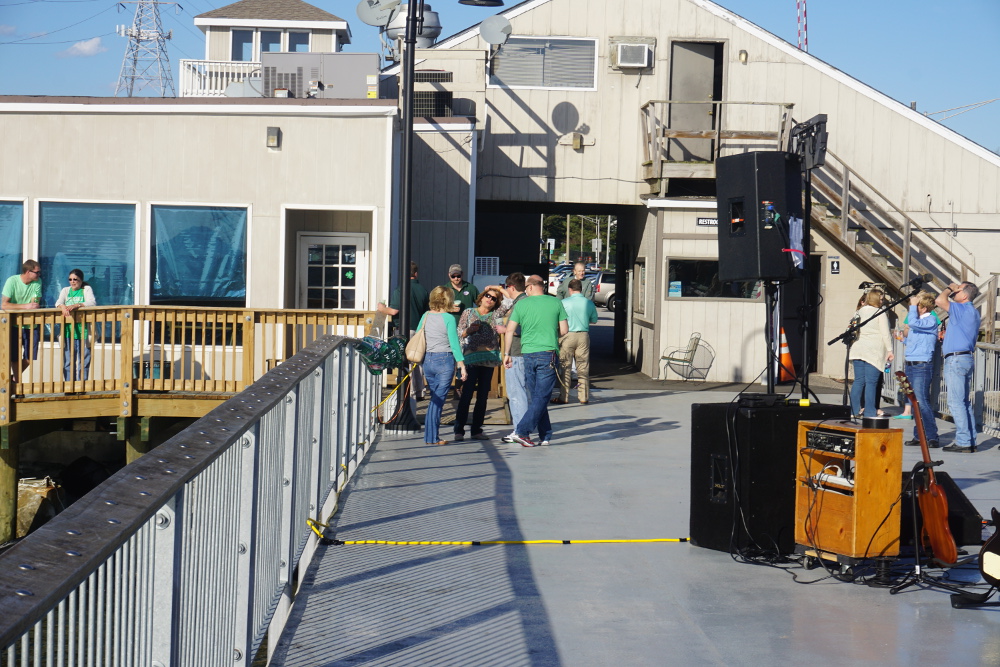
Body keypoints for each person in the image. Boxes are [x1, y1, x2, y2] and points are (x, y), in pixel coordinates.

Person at [503, 275, 568, 447]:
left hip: (527, 354)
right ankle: (522, 432)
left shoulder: (522, 304)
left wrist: (506, 353)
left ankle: (545, 434)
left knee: (537, 397)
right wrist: (550, 333)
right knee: (542, 397)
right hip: (547, 353)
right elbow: (564, 330)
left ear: (530, 287)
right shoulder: (555, 303)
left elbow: (509, 330)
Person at [416, 286, 467, 445]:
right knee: (437, 401)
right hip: (444, 361)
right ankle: (432, 438)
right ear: (448, 300)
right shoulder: (449, 318)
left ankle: (431, 437)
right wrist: (461, 364)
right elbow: (454, 343)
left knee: (434, 399)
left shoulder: (425, 316)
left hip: (428, 361)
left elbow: (419, 335)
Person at [454, 288, 506, 441]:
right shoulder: (469, 312)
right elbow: (459, 332)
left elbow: (510, 302)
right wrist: (468, 330)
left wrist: (498, 288)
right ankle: (459, 430)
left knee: (483, 396)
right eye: (487, 296)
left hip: (488, 359)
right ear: (482, 297)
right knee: (466, 395)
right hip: (470, 358)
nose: (489, 299)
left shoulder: (496, 315)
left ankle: (476, 430)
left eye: (494, 298)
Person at [936, 281, 981, 453]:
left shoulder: (961, 308)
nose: (955, 293)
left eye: (958, 291)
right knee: (963, 402)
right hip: (965, 358)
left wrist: (949, 288)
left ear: (964, 295)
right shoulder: (973, 312)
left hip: (955, 360)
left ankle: (963, 441)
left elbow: (940, 301)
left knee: (955, 402)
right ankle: (969, 440)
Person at [377, 261, 429, 399]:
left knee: (405, 361)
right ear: (416, 274)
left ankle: (409, 391)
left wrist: (382, 308)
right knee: (417, 361)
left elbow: (394, 311)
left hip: (403, 330)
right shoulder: (423, 290)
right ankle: (420, 391)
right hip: (419, 330)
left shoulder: (401, 289)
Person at [901, 291, 940, 447]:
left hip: (922, 365)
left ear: (923, 308)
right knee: (915, 401)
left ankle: (932, 436)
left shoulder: (930, 320)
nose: (913, 308)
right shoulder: (917, 321)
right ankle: (919, 435)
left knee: (922, 401)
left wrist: (912, 306)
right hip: (910, 363)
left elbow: (913, 324)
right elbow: (912, 338)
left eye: (916, 306)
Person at [848, 289, 893, 419]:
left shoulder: (858, 312)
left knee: (859, 381)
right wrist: (890, 350)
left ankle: (854, 410)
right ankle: (869, 412)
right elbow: (885, 333)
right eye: (881, 298)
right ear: (875, 299)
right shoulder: (880, 313)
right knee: (871, 382)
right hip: (873, 351)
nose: (882, 300)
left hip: (858, 349)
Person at [554, 278, 598, 405]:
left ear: (569, 289)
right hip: (583, 335)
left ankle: (564, 396)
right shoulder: (588, 303)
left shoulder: (563, 302)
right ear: (581, 289)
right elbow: (594, 320)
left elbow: (558, 321)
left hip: (567, 335)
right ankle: (583, 396)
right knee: (583, 366)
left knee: (565, 366)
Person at [498, 273, 529, 444]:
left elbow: (521, 329)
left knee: (517, 394)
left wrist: (504, 330)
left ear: (511, 287)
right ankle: (524, 429)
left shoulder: (519, 305)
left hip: (517, 353)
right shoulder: (529, 301)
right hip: (529, 353)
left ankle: (520, 431)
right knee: (526, 393)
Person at [1, 260, 42, 383]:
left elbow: (35, 303)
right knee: (14, 356)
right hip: (13, 324)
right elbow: (4, 305)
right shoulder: (12, 281)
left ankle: (14, 378)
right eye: (37, 272)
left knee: (30, 357)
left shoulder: (37, 282)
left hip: (31, 324)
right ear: (28, 272)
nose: (39, 275)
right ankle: (17, 384)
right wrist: (25, 306)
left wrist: (31, 306)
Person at [55, 268, 97, 382]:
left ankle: (81, 386)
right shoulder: (65, 290)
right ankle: (69, 386)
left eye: (75, 279)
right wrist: (62, 307)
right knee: (68, 361)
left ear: (81, 280)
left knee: (84, 361)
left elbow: (92, 302)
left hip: (84, 331)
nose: (72, 282)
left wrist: (77, 305)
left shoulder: (86, 289)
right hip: (68, 331)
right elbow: (58, 302)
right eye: (70, 279)